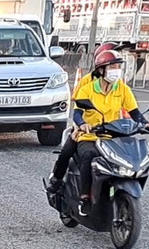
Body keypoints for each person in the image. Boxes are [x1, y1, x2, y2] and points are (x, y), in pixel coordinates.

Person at [49, 49, 148, 206]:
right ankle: (84, 197)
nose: (116, 71)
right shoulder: (87, 88)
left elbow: (134, 112)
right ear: (101, 70)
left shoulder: (122, 89)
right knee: (88, 155)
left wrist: (144, 123)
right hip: (90, 135)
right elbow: (77, 113)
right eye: (112, 67)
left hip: (113, 136)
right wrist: (83, 125)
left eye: (118, 67)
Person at [49, 42, 118, 192]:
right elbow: (78, 107)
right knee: (67, 152)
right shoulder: (87, 81)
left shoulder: (118, 85)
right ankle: (57, 180)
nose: (116, 68)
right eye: (112, 64)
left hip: (110, 132)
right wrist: (78, 127)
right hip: (84, 129)